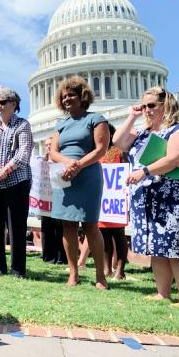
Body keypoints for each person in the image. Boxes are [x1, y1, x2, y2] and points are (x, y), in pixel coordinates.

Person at [114, 87, 179, 307]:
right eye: (144, 106)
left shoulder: (178, 131)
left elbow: (175, 159)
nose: (147, 110)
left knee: (177, 249)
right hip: (148, 200)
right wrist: (132, 117)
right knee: (158, 248)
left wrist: (144, 172)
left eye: (151, 105)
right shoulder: (141, 133)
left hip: (175, 199)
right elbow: (117, 142)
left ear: (166, 104)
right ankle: (163, 293)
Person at [49, 76, 109, 289]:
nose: (67, 99)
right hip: (65, 177)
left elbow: (101, 149)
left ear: (82, 96)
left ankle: (100, 276)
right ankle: (73, 273)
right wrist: (68, 164)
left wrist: (78, 165)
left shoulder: (96, 119)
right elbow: (53, 152)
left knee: (91, 226)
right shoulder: (61, 125)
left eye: (71, 95)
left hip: (88, 176)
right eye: (64, 96)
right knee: (68, 225)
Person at [0, 87, 33, 278]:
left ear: (14, 104)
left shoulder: (22, 125)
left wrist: (3, 172)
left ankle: (17, 269)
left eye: (3, 102)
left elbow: (23, 153)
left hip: (16, 182)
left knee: (16, 227)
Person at [98, 123, 128, 280]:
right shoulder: (96, 151)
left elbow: (126, 169)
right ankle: (106, 268)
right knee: (104, 234)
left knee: (119, 234)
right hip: (102, 198)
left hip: (117, 198)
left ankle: (120, 270)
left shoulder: (120, 150)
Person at [40, 137, 66, 265]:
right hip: (45, 199)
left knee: (59, 227)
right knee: (46, 227)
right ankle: (48, 255)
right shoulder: (42, 161)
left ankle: (61, 256)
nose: (48, 147)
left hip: (59, 197)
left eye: (50, 144)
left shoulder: (61, 160)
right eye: (46, 145)